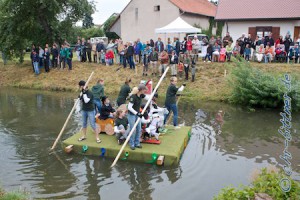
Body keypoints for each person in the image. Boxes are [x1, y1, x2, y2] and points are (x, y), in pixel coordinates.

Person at [127, 84, 149, 150]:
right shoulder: (133, 97)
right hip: (132, 115)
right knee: (133, 130)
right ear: (141, 90)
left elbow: (148, 98)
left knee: (139, 129)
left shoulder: (141, 95)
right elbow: (129, 107)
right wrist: (137, 113)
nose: (145, 91)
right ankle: (132, 143)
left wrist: (154, 93)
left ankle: (137, 143)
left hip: (138, 114)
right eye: (144, 90)